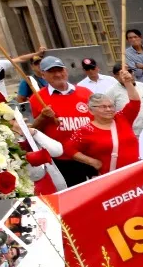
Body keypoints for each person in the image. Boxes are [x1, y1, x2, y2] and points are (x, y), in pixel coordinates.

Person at [27, 55, 96, 186]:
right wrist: (43, 117)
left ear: (66, 71)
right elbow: (32, 131)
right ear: (43, 75)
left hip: (91, 153)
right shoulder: (37, 99)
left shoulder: (85, 92)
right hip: (63, 159)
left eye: (60, 70)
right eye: (52, 71)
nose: (58, 74)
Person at [66, 87, 142, 177]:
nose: (108, 109)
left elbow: (135, 103)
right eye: (103, 107)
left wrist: (128, 83)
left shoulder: (122, 118)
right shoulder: (85, 130)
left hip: (137, 173)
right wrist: (92, 162)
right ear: (91, 110)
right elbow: (68, 149)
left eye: (111, 106)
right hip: (111, 178)